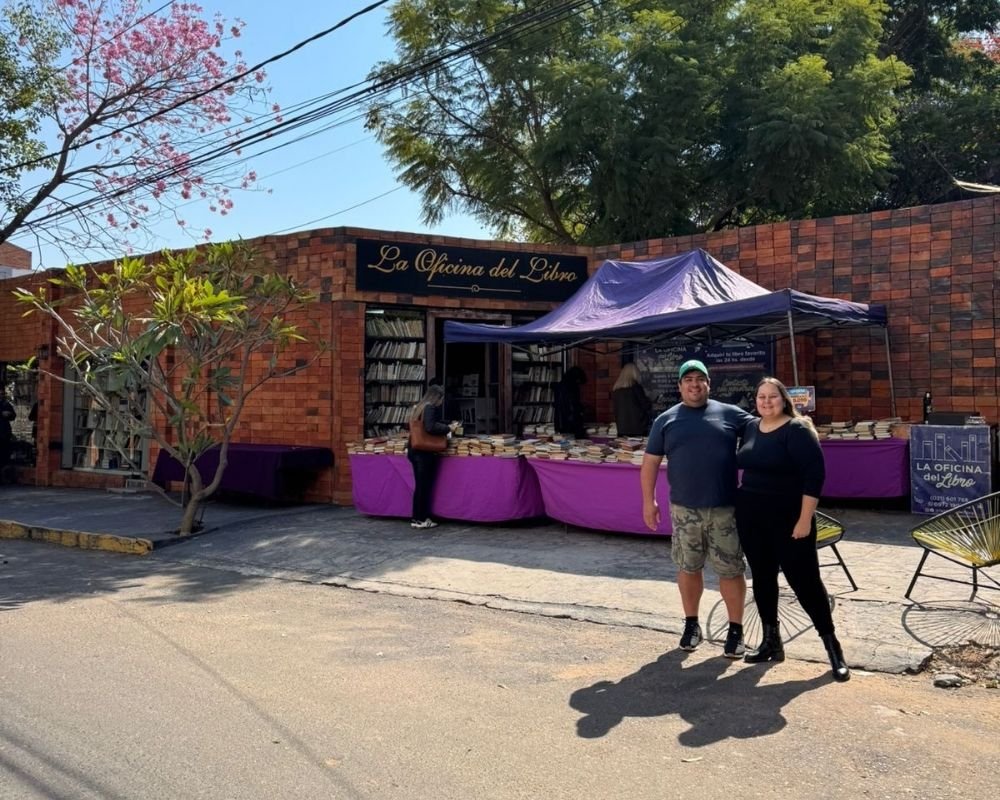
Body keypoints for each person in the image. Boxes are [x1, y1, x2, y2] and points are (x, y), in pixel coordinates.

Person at [736, 377, 850, 681]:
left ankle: (833, 648)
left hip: (789, 519)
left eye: (772, 396)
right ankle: (771, 642)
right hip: (752, 517)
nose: (766, 402)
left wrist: (804, 520)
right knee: (762, 579)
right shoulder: (750, 427)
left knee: (806, 583)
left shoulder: (796, 430)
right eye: (761, 397)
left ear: (784, 399)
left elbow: (814, 477)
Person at [641, 359, 754, 658]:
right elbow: (650, 462)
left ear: (708, 384)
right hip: (684, 510)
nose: (694, 384)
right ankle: (691, 624)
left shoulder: (731, 414)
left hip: (724, 509)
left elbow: (766, 427)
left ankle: (735, 629)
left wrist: (797, 425)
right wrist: (648, 501)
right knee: (687, 567)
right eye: (688, 379)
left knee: (730, 569)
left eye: (699, 379)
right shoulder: (665, 420)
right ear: (679, 386)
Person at [407, 384, 458, 530]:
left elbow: (425, 425)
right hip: (423, 452)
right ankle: (420, 518)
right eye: (441, 398)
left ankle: (417, 518)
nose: (442, 402)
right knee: (424, 487)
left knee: (420, 486)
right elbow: (430, 427)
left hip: (414, 450)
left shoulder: (420, 407)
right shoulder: (430, 407)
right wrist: (449, 428)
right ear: (437, 397)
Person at [612, 363, 653, 436]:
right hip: (638, 428)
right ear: (634, 373)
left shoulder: (616, 390)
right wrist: (649, 398)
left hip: (621, 428)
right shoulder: (636, 388)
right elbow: (646, 406)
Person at [554, 366, 587, 438]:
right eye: (578, 381)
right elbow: (573, 405)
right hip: (571, 422)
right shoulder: (573, 387)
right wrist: (581, 410)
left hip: (561, 422)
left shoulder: (559, 385)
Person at [0, 390, 16, 476]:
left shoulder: (6, 404)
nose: (1, 395)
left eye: (2, 394)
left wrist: (9, 414)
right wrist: (1, 413)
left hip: (4, 433)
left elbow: (13, 416)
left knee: (4, 454)